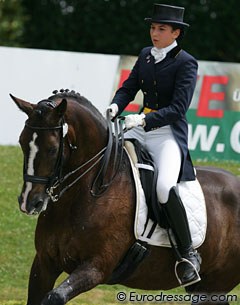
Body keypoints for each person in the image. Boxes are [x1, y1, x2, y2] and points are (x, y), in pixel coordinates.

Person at [106, 3, 201, 287]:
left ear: (175, 33)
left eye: (161, 29)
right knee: (110, 162)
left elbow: (178, 108)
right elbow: (128, 87)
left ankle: (188, 253)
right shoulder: (147, 55)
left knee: (163, 187)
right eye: (152, 27)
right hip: (139, 127)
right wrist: (114, 105)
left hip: (166, 133)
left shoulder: (186, 63)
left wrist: (144, 121)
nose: (154, 33)